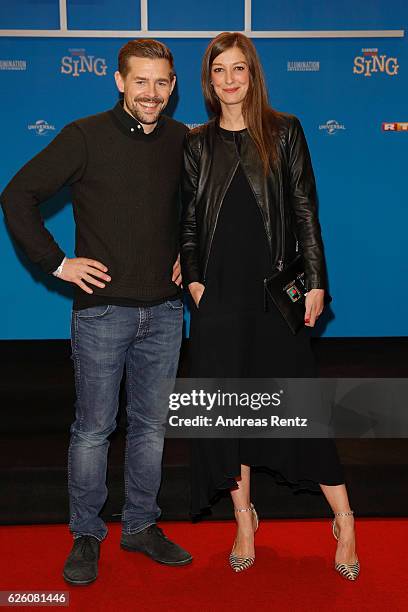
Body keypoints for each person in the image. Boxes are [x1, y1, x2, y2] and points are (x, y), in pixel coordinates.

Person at [1, 38, 193, 585]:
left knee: (151, 428)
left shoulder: (183, 140)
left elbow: (198, 209)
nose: (151, 93)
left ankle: (140, 526)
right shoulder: (84, 135)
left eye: (161, 82)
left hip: (164, 314)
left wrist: (188, 251)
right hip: (102, 313)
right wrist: (57, 264)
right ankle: (86, 533)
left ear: (173, 86)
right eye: (141, 81)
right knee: (92, 430)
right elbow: (17, 195)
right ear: (119, 81)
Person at [181, 32, 359, 580]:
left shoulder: (284, 132)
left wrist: (315, 282)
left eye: (239, 69)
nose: (230, 80)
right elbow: (188, 222)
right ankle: (243, 517)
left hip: (275, 293)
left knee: (301, 409)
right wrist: (193, 283)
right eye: (219, 71)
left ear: (253, 76)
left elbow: (306, 210)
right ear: (209, 81)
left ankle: (346, 520)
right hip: (219, 297)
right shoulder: (197, 144)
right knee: (227, 412)